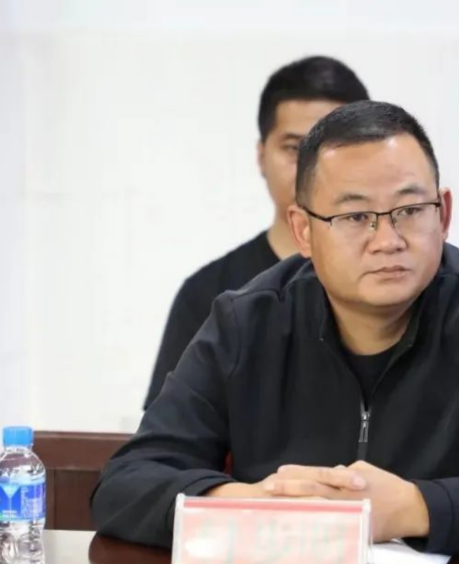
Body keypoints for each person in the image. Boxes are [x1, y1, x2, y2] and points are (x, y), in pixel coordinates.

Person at [93, 101, 459, 556]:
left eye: (410, 210)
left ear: (444, 214)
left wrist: (414, 508)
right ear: (303, 231)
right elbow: (125, 484)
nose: (388, 240)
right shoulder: (246, 323)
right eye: (356, 217)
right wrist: (255, 503)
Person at [144, 56, 370, 407]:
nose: (312, 168)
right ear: (261, 155)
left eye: (332, 149)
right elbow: (168, 433)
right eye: (294, 148)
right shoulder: (209, 294)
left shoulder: (394, 277)